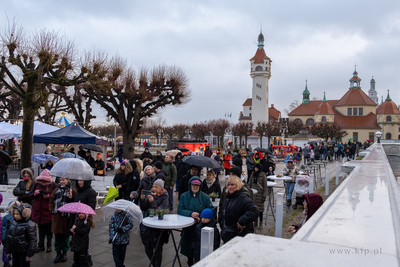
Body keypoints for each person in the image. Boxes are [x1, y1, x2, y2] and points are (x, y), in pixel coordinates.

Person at [178, 176, 214, 266]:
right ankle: (190, 262)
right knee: (188, 248)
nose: (195, 187)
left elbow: (211, 209)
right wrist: (191, 214)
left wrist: (201, 217)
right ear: (190, 185)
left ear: (200, 186)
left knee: (200, 248)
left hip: (201, 227)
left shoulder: (204, 197)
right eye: (193, 185)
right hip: (188, 228)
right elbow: (180, 210)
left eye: (197, 185)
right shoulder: (184, 196)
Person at [139, 179, 169, 267]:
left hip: (158, 227)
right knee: (147, 249)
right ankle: (154, 264)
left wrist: (152, 202)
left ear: (161, 189)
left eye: (156, 187)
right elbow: (144, 208)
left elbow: (161, 211)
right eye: (153, 187)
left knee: (157, 251)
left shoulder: (164, 197)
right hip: (147, 225)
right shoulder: (150, 194)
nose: (154, 189)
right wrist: (142, 200)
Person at [220, 176, 259, 243]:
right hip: (229, 234)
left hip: (239, 235)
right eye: (228, 185)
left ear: (238, 185)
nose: (229, 187)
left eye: (232, 185)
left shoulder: (242, 197)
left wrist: (242, 221)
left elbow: (254, 210)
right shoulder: (229, 197)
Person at [29, 169, 57, 253]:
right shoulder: (36, 184)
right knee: (40, 229)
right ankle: (41, 244)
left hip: (48, 211)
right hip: (39, 211)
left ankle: (49, 244)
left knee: (49, 229)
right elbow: (29, 196)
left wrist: (49, 196)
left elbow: (57, 196)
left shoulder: (53, 185)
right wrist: (35, 193)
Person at [49, 177, 76, 263]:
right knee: (57, 236)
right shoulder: (56, 190)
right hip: (57, 216)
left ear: (68, 180)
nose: (62, 182)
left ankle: (64, 252)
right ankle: (58, 253)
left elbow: (74, 202)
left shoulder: (71, 190)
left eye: (64, 180)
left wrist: (70, 198)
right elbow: (51, 201)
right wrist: (52, 210)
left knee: (65, 236)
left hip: (66, 217)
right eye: (60, 180)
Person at [71, 178, 97, 266]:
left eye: (81, 180)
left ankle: (86, 258)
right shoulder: (79, 191)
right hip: (78, 218)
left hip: (85, 219)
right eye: (78, 180)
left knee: (83, 240)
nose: (79, 182)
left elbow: (92, 207)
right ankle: (79, 259)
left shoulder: (90, 192)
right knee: (78, 239)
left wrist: (82, 208)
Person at [2, 201, 20, 267]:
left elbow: (4, 229)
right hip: (11, 239)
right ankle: (7, 262)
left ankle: (7, 262)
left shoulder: (7, 217)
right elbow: (4, 229)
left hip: (12, 239)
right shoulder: (8, 217)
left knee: (7, 251)